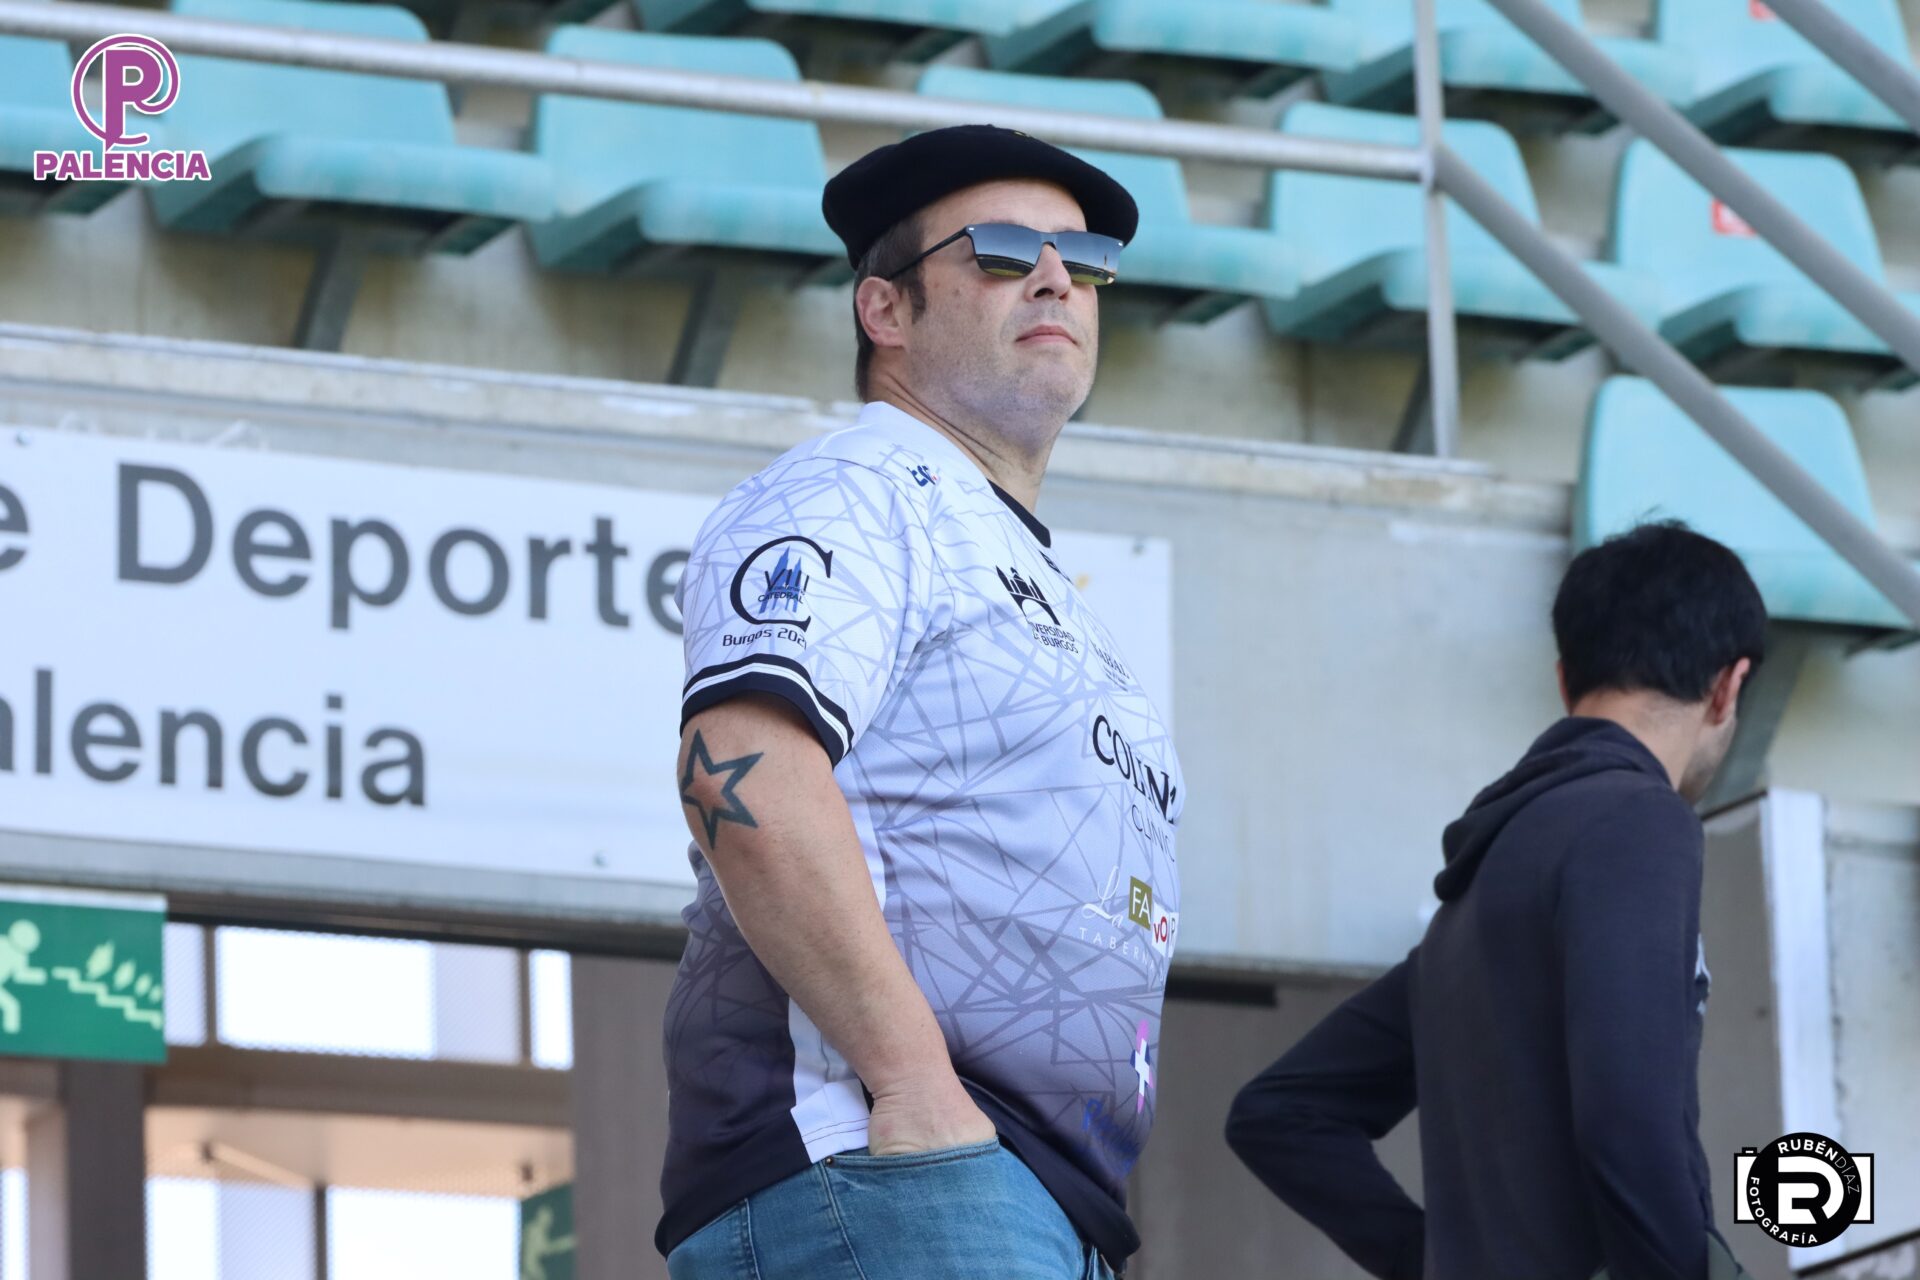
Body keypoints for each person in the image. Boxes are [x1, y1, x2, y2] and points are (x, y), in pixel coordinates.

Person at [661, 125, 1183, 1280]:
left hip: (1011, 1187)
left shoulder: (1018, 558)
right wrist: (913, 1085)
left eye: (1085, 259)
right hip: (889, 1161)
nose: (1055, 278)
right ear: (884, 309)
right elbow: (739, 759)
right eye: (1001, 250)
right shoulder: (857, 486)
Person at [1225, 520, 1764, 1280]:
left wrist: (1431, 1262)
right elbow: (1626, 1121)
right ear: (1727, 687)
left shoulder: (1484, 885)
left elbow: (1282, 1112)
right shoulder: (1638, 821)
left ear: (1564, 680)